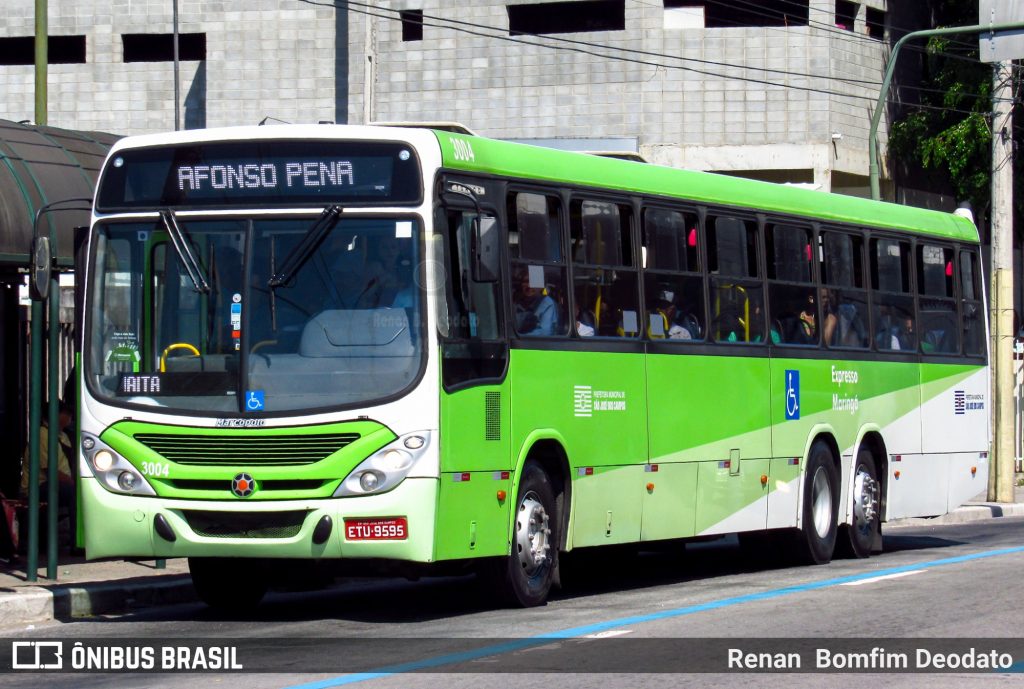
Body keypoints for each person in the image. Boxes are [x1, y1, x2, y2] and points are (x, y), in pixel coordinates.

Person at [20, 402, 76, 549]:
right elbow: (50, 472)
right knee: (74, 494)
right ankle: (75, 539)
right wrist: (73, 483)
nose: (70, 417)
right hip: (39, 486)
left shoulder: (63, 435)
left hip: (59, 483)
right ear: (55, 415)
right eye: (66, 413)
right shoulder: (42, 436)